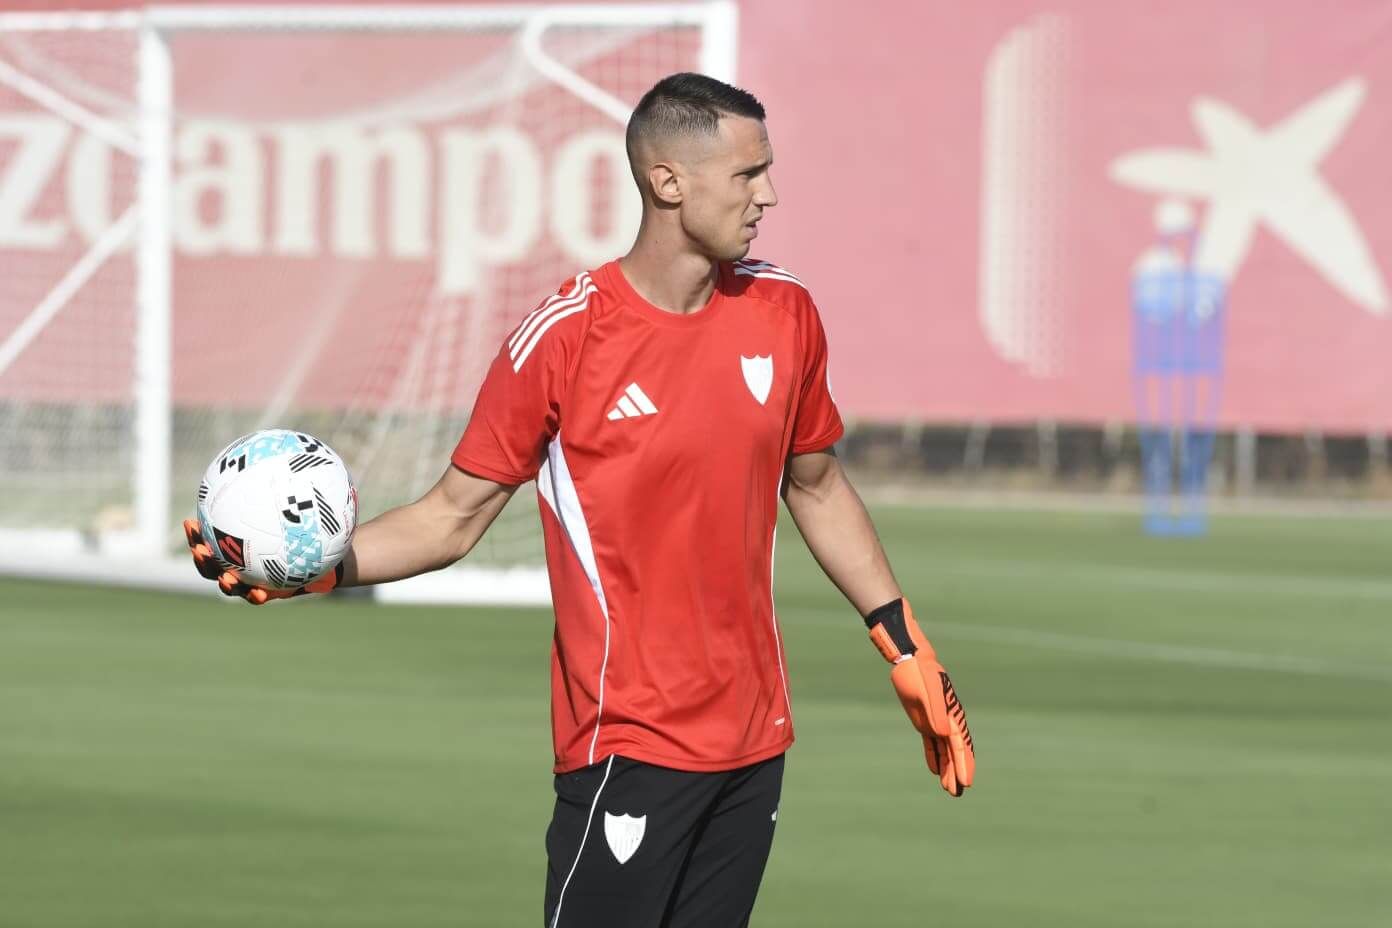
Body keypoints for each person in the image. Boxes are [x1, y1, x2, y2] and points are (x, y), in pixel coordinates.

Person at [184, 72, 974, 928]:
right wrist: (321, 571)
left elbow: (816, 485)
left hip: (757, 743)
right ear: (668, 182)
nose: (768, 195)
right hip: (627, 744)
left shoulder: (785, 311)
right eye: (748, 174)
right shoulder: (564, 339)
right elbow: (451, 517)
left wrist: (903, 641)